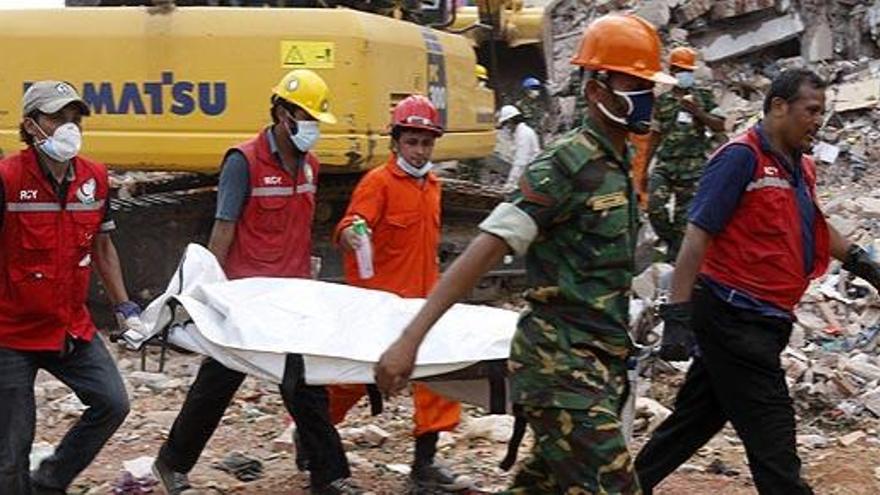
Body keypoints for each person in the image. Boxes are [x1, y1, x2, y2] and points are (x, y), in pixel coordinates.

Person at [375, 14, 676, 493]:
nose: (647, 96)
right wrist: (411, 339)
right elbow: (485, 248)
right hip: (560, 368)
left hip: (598, 367)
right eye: (635, 83)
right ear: (597, 91)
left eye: (648, 84)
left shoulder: (618, 166)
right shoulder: (565, 164)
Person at [635, 69, 880, 495]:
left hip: (765, 319)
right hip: (734, 315)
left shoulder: (800, 166)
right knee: (774, 439)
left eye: (823, 111)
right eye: (811, 110)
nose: (818, 120)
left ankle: (624, 485)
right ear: (779, 107)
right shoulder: (739, 157)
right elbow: (697, 235)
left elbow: (815, 225)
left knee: (696, 420)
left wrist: (866, 265)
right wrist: (677, 313)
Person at [151, 69, 361, 495]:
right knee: (218, 382)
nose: (312, 128)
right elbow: (223, 229)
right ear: (282, 114)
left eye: (317, 119)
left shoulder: (310, 166)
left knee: (306, 386)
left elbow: (301, 227)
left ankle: (330, 476)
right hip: (246, 298)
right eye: (306, 117)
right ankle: (171, 463)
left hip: (293, 294)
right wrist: (209, 295)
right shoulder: (242, 162)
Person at [322, 94, 471, 492]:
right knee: (351, 379)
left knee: (438, 377)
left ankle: (424, 464)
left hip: (423, 302)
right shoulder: (378, 183)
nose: (420, 151)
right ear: (396, 142)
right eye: (412, 141)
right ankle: (313, 435)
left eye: (426, 142)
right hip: (381, 304)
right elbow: (352, 222)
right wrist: (352, 233)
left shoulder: (433, 186)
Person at [0, 81, 136, 495]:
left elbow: (103, 246)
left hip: (68, 326)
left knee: (113, 403)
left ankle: (50, 482)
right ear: (30, 125)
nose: (68, 126)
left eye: (74, 118)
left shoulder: (94, 177)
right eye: (57, 117)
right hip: (11, 333)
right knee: (9, 456)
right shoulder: (6, 178)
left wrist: (125, 308)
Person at [646, 46, 725, 261]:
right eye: (680, 70)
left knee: (685, 220)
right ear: (672, 71)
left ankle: (675, 259)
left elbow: (720, 125)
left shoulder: (703, 97)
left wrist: (698, 113)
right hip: (666, 166)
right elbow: (654, 135)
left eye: (688, 70)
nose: (684, 74)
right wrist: (644, 168)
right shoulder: (662, 102)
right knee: (654, 207)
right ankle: (670, 241)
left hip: (693, 169)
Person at [496, 105, 540, 190]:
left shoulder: (524, 134)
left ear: (510, 121)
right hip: (527, 173)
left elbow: (521, 162)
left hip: (530, 174)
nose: (506, 128)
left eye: (506, 124)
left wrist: (511, 183)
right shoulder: (521, 132)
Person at [515, 76, 548, 144]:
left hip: (538, 137)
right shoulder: (519, 105)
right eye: (534, 89)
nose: (537, 91)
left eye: (537, 89)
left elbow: (541, 121)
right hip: (526, 138)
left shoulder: (538, 105)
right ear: (526, 90)